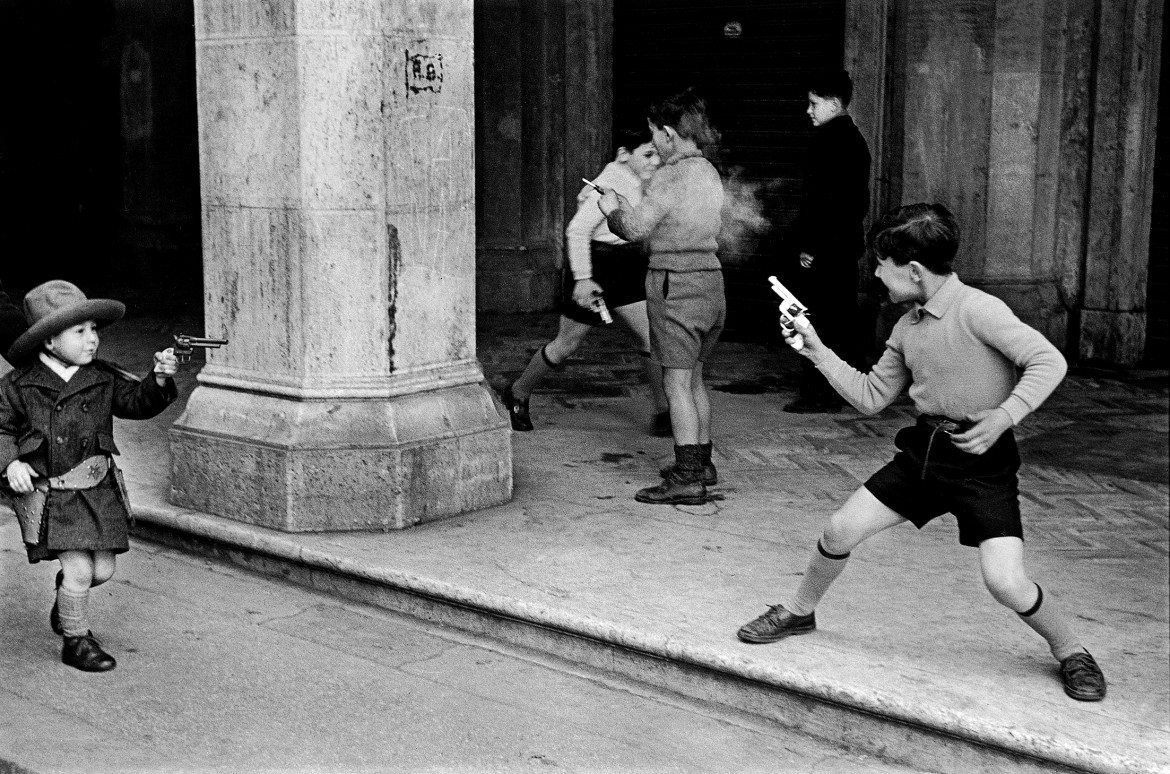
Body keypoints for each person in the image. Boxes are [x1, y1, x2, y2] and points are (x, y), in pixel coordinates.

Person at [736, 204, 1107, 702]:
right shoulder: (906, 328)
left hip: (983, 466)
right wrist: (816, 350)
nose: (874, 274)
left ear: (912, 270)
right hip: (924, 455)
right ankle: (800, 611)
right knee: (838, 529)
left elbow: (1048, 359)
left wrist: (1003, 417)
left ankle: (1073, 651)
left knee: (1006, 583)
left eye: (880, 265)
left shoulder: (980, 309)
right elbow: (870, 397)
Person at [0, 280, 179, 672]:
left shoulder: (101, 377)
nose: (92, 339)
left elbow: (136, 402)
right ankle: (76, 641)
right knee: (80, 569)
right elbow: (2, 429)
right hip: (55, 494)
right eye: (79, 332)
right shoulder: (19, 386)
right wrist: (11, 462)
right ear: (49, 342)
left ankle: (68, 599)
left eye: (94, 329)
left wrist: (159, 379)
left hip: (97, 489)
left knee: (103, 569)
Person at [503, 122, 670, 435]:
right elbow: (576, 231)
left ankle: (665, 412)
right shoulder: (607, 184)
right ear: (624, 154)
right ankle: (518, 393)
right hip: (595, 268)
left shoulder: (641, 179)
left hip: (625, 265)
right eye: (647, 155)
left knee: (651, 338)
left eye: (658, 154)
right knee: (567, 344)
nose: (655, 161)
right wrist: (582, 279)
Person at [599, 89, 725, 505]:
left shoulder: (672, 174)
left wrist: (611, 207)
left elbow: (634, 229)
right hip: (710, 281)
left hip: (677, 284)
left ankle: (687, 477)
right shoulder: (707, 169)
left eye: (655, 135)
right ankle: (702, 462)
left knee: (675, 382)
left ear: (670, 133)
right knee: (695, 377)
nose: (653, 144)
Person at [783, 69, 871, 414]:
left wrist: (810, 246)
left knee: (819, 322)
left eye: (814, 103)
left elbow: (822, 202)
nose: (809, 110)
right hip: (843, 246)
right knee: (840, 320)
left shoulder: (829, 141)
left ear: (834, 104)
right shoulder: (854, 139)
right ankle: (841, 391)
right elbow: (853, 204)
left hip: (826, 248)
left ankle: (819, 395)